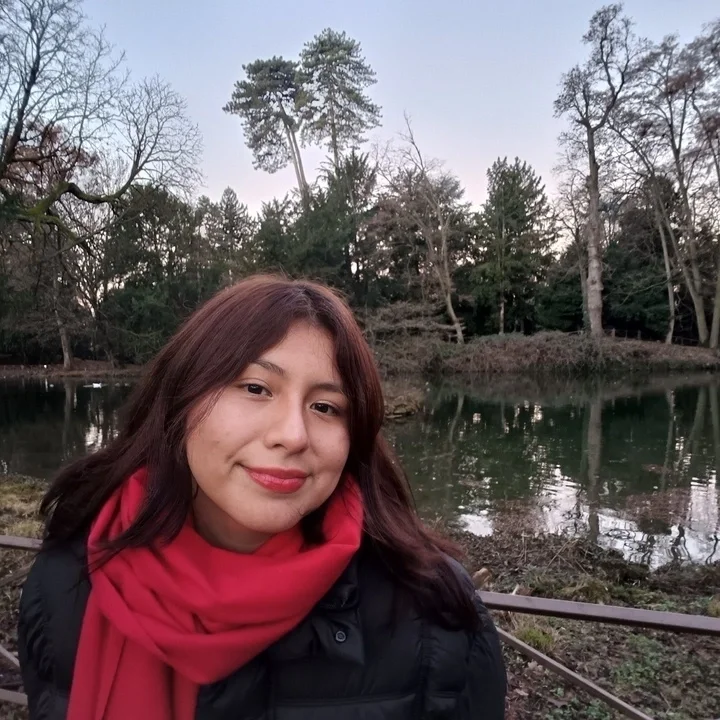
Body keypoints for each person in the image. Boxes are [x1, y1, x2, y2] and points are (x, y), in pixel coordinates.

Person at [17, 274, 506, 720]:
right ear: (181, 402)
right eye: (255, 387)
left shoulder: (436, 618)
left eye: (325, 407)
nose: (292, 435)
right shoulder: (67, 583)